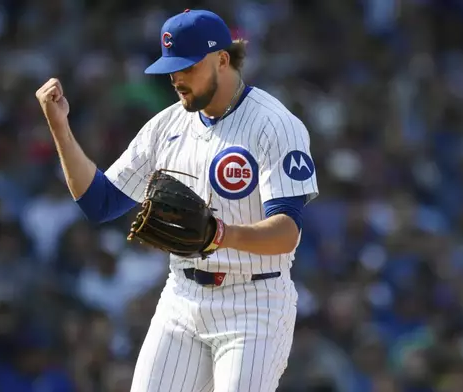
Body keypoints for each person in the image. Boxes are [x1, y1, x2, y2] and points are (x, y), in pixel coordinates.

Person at [35, 8, 319, 392]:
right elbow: (99, 203)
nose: (176, 78)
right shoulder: (166, 126)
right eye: (171, 68)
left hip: (255, 304)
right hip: (182, 298)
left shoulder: (274, 124)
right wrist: (60, 127)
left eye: (187, 66)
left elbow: (287, 232)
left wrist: (219, 234)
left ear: (222, 59)